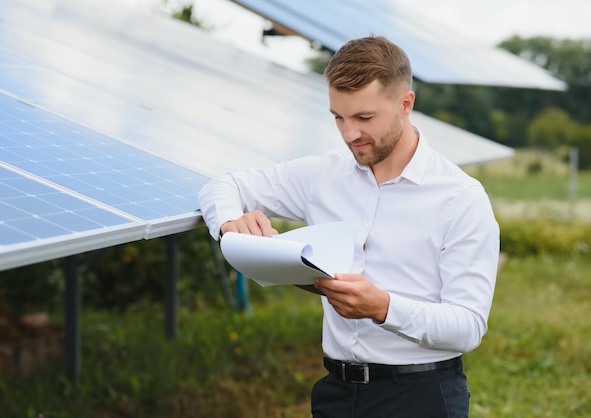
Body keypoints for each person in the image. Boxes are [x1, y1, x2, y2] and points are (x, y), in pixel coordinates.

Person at [198, 35, 499, 418]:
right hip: (336, 395)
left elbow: (468, 326)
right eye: (338, 117)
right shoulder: (322, 175)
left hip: (421, 398)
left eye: (364, 118)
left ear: (405, 104)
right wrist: (228, 223)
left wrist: (383, 308)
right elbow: (223, 185)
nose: (349, 134)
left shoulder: (460, 199)